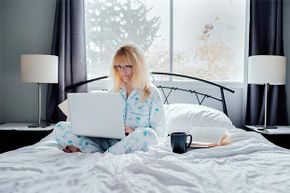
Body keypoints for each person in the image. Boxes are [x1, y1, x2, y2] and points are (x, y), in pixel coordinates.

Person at [53, 43, 166, 154]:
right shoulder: (112, 92)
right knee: (60, 127)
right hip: (105, 141)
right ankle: (99, 150)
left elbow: (159, 133)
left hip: (132, 142)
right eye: (119, 67)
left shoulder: (151, 93)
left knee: (149, 135)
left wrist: (133, 131)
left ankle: (98, 153)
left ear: (138, 66)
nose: (122, 71)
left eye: (127, 66)